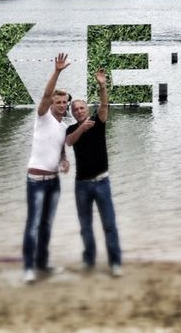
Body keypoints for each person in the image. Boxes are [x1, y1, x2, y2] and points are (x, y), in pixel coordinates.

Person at [65, 68, 122, 277]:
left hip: (101, 182)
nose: (79, 111)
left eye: (81, 108)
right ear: (73, 114)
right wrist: (82, 128)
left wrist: (102, 85)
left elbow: (104, 105)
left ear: (87, 109)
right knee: (85, 226)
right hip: (82, 185)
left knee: (109, 225)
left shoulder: (99, 123)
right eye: (75, 110)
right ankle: (89, 261)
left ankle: (115, 263)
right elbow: (70, 143)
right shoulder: (71, 130)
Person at [21, 53, 71, 284]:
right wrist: (57, 71)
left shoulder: (65, 127)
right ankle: (29, 268)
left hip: (54, 182)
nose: (61, 105)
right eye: (58, 102)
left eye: (64, 102)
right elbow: (45, 95)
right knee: (33, 224)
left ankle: (42, 264)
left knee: (47, 225)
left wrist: (63, 159)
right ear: (52, 104)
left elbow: (59, 148)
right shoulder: (42, 118)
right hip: (36, 181)